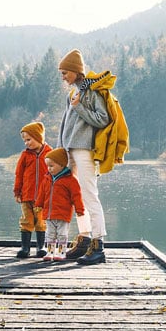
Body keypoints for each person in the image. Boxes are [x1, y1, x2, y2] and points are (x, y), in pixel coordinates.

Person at [57, 48, 111, 265]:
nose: (62, 77)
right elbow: (65, 125)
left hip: (85, 151)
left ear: (76, 71)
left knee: (90, 196)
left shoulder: (92, 93)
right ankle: (84, 239)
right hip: (70, 150)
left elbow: (102, 119)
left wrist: (79, 108)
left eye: (65, 72)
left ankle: (99, 246)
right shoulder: (73, 94)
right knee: (76, 198)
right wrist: (61, 147)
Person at [34, 147, 84, 261]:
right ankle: (49, 252)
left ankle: (61, 252)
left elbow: (76, 196)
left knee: (62, 234)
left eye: (52, 166)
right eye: (48, 166)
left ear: (61, 165)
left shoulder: (70, 180)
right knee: (50, 234)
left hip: (62, 213)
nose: (49, 168)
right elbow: (42, 193)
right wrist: (38, 204)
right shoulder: (47, 178)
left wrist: (79, 210)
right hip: (49, 213)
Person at [13, 121, 53, 258]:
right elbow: (19, 174)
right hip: (26, 196)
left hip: (43, 197)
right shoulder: (25, 155)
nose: (27, 143)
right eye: (25, 141)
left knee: (41, 222)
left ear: (38, 137)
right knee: (26, 221)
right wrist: (17, 192)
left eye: (29, 139)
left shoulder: (50, 154)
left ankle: (41, 247)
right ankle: (25, 248)